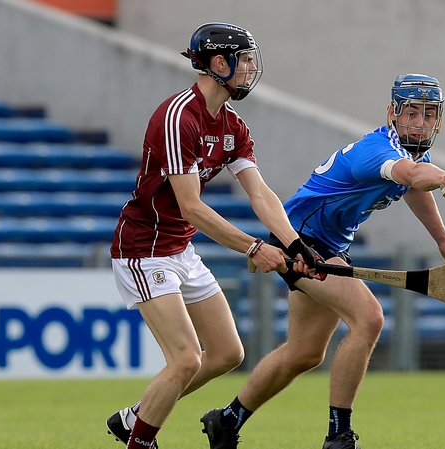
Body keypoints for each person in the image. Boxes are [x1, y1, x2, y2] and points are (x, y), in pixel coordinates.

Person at [201, 74, 445, 449]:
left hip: (329, 245)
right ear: (393, 113)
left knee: (304, 353)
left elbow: (414, 184)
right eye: (412, 113)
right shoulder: (378, 151)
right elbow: (412, 176)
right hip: (300, 239)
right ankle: (338, 435)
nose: (421, 123)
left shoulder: (412, 155)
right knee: (370, 318)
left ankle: (227, 420)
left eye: (429, 115)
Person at [104, 22, 321, 449]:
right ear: (219, 63)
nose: (252, 67)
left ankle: (135, 417)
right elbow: (192, 206)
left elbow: (259, 192)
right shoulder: (178, 117)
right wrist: (255, 247)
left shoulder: (233, 125)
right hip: (144, 250)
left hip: (179, 249)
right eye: (246, 59)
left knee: (226, 354)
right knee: (185, 358)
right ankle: (140, 442)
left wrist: (294, 243)